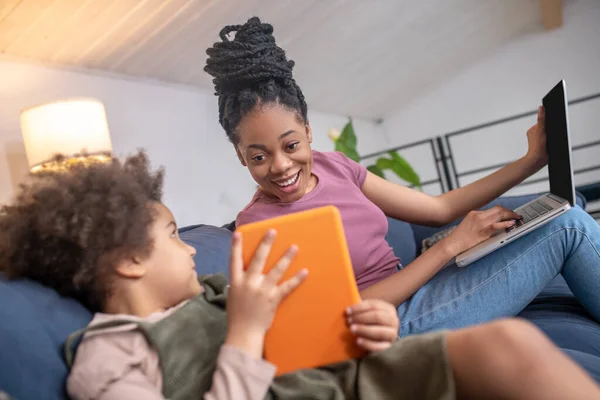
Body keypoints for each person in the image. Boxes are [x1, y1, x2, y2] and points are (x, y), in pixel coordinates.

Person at [1, 152, 599, 400]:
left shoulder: (218, 291)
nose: (191, 251)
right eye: (175, 237)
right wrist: (244, 334)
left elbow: (324, 332)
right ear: (129, 263)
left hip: (352, 380)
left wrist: (373, 324)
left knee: (508, 344)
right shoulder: (106, 360)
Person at [204, 17, 600, 336]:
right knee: (569, 229)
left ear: (307, 132)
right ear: (241, 156)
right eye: (259, 156)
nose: (280, 166)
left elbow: (437, 208)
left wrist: (530, 161)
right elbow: (346, 312)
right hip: (393, 326)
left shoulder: (334, 164)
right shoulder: (258, 224)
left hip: (418, 288)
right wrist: (449, 248)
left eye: (290, 146)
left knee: (554, 217)